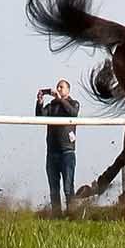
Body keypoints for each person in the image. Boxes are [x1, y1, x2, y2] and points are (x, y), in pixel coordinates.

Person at [36, 79, 80, 215]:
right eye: (57, 87)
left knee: (68, 187)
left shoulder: (74, 103)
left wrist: (60, 99)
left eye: (61, 87)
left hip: (67, 152)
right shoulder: (51, 106)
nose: (58, 89)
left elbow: (73, 113)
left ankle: (71, 214)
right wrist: (40, 102)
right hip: (52, 152)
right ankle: (56, 215)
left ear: (68, 90)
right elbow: (40, 116)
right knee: (54, 188)